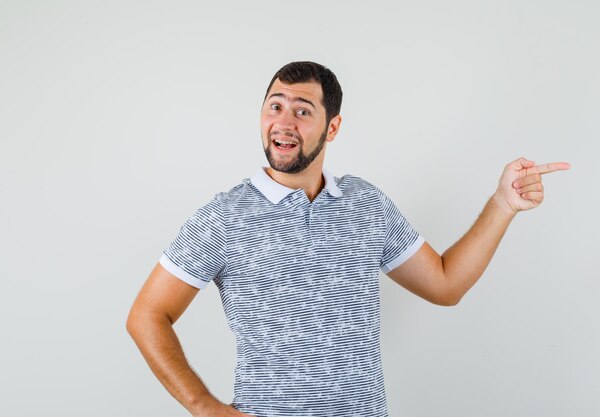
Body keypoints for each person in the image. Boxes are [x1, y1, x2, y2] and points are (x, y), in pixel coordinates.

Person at [126, 61, 570, 417]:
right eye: (274, 106)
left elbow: (445, 284)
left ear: (332, 128)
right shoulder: (223, 216)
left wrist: (501, 205)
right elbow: (147, 314)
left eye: (302, 110)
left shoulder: (366, 203)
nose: (283, 122)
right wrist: (205, 408)